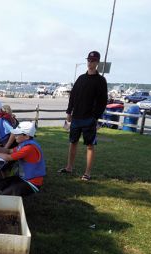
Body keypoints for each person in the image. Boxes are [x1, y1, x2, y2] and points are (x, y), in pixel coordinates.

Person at [58, 50, 108, 181]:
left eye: (93, 61)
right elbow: (73, 96)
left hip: (89, 119)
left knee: (90, 145)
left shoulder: (101, 81)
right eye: (88, 60)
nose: (90, 63)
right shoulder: (81, 78)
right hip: (76, 118)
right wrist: (69, 112)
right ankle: (69, 167)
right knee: (72, 142)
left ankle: (87, 173)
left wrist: (95, 117)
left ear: (97, 62)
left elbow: (103, 101)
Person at [0, 121, 46, 196]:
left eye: (18, 134)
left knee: (5, 195)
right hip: (24, 178)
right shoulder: (23, 144)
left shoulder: (29, 148)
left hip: (32, 183)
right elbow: (9, 151)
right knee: (1, 184)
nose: (15, 135)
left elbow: (8, 158)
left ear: (26, 136)